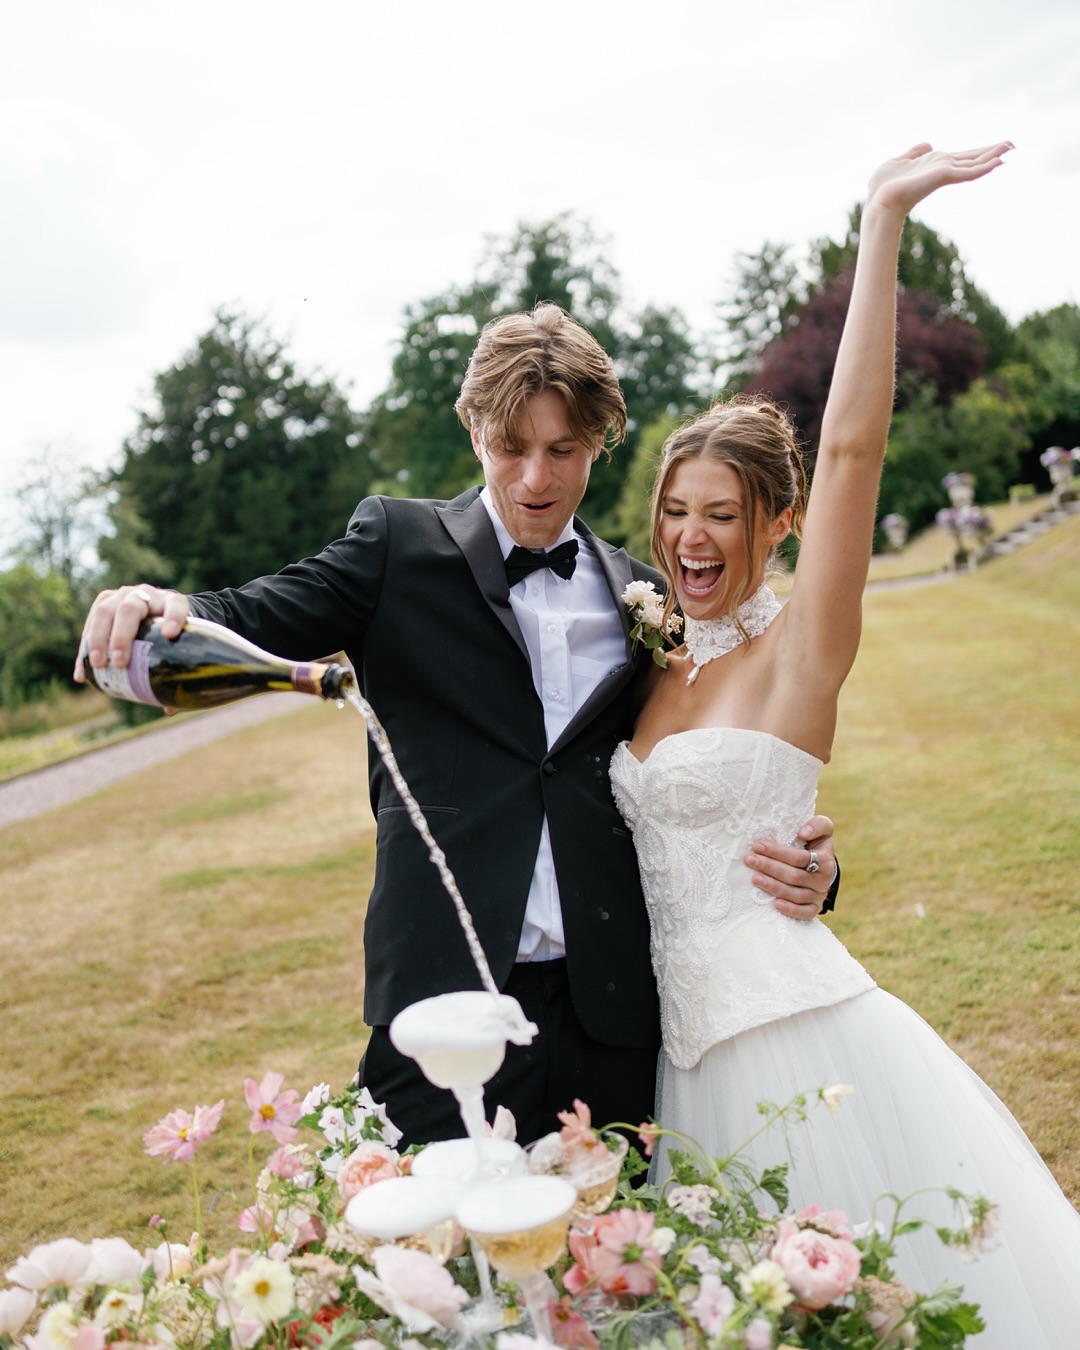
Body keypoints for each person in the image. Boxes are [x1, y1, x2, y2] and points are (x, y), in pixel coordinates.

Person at [74, 304, 839, 1148]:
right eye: (511, 447)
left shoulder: (641, 597)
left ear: (601, 441)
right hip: (444, 1009)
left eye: (563, 451)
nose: (534, 480)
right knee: (433, 1266)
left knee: (620, 1265)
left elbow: (712, 760)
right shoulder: (394, 546)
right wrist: (163, 605)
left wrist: (811, 868)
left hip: (613, 1017)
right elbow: (252, 613)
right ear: (473, 429)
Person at [610, 142, 1080, 1344]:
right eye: (675, 512)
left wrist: (879, 222)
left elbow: (858, 448)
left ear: (778, 525)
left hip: (801, 1044)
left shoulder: (800, 654)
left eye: (722, 515)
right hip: (676, 1066)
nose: (692, 540)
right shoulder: (649, 660)